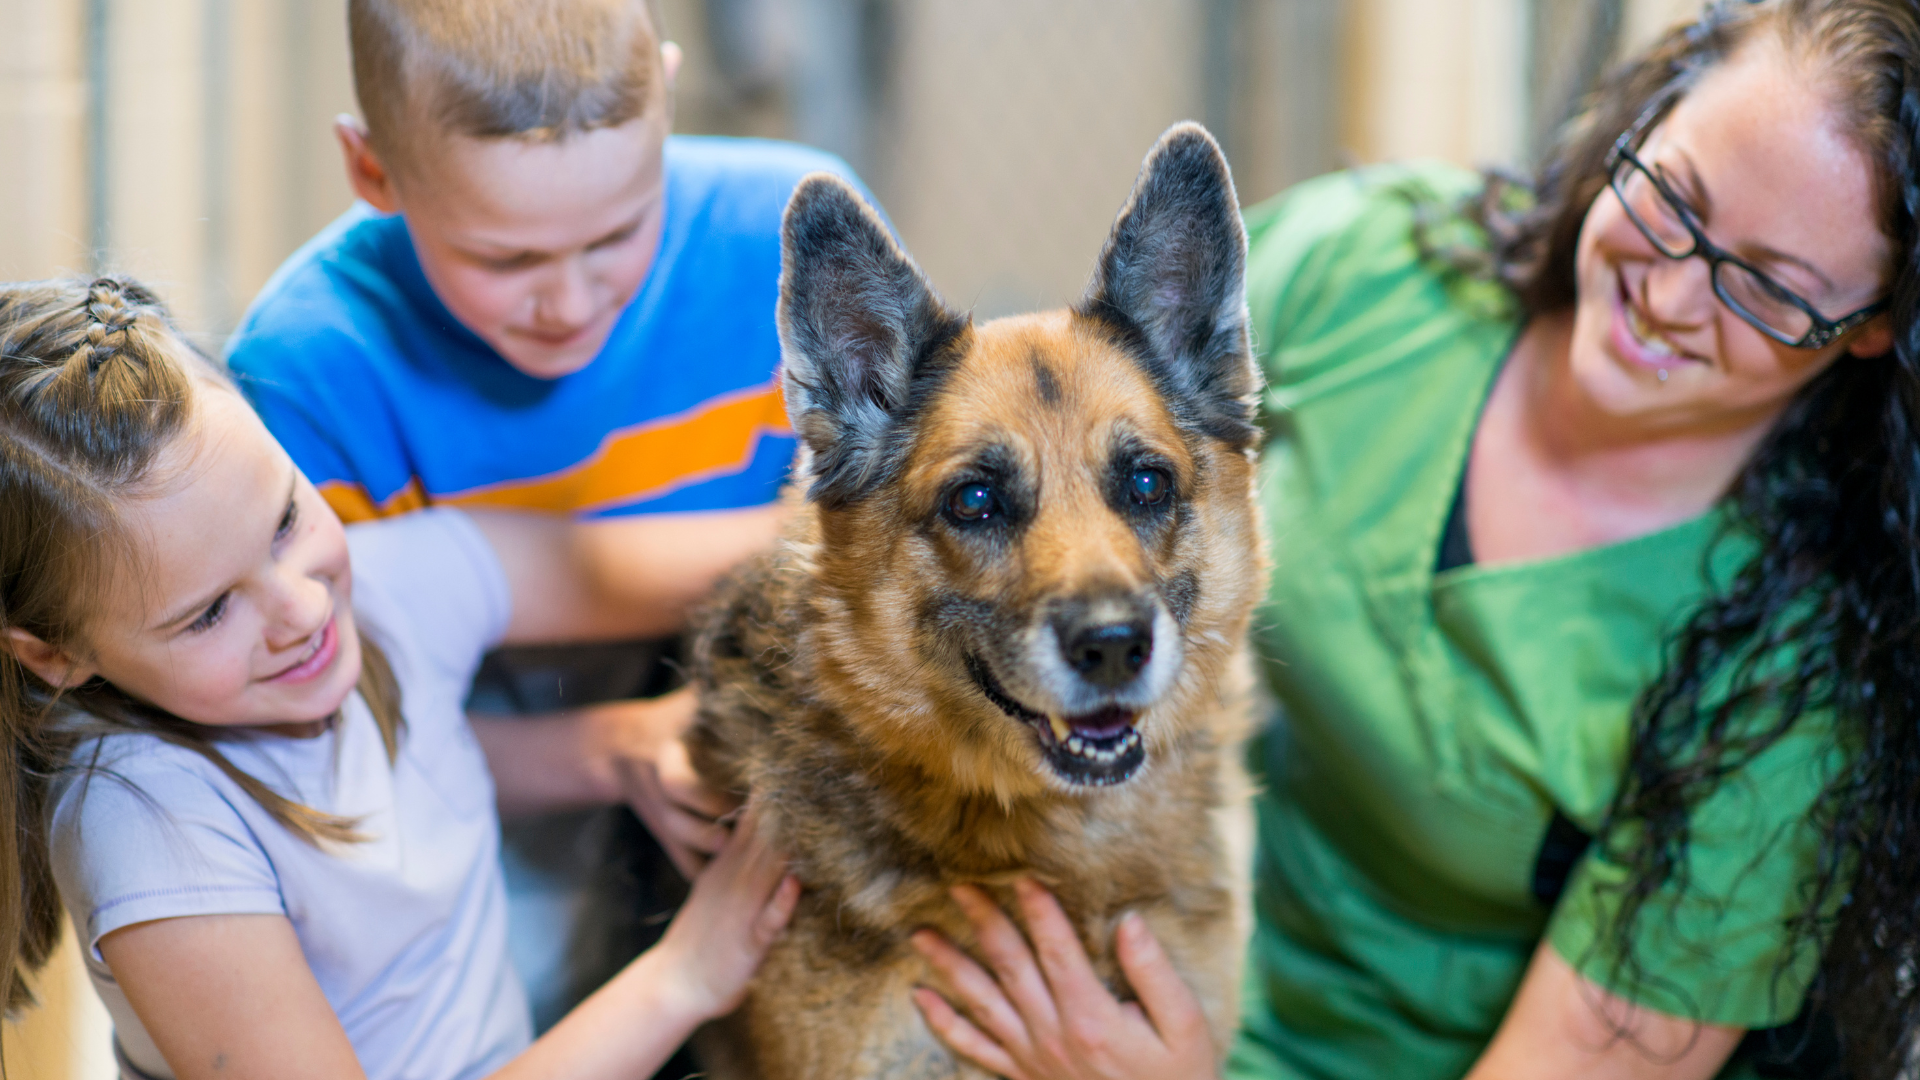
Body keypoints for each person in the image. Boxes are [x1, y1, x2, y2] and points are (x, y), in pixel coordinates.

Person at [908, 1, 1920, 1078]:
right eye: (1673, 195)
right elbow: (1050, 434)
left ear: (1872, 330)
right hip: (1211, 1002)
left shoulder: (1791, 690)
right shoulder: (1377, 272)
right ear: (1644, 120)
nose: (1668, 295)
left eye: (1766, 286)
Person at [222, 0, 871, 1025]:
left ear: (663, 94)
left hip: (750, 714)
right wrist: (616, 748)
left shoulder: (790, 232)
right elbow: (332, 735)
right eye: (507, 260)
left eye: (617, 235)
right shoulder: (308, 370)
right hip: (463, 766)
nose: (569, 303)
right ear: (372, 169)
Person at [0, 276, 801, 1080]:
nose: (303, 607)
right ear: (53, 653)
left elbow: (755, 548)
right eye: (209, 614)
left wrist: (612, 751)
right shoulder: (145, 824)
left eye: (284, 519)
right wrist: (686, 974)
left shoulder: (391, 590)